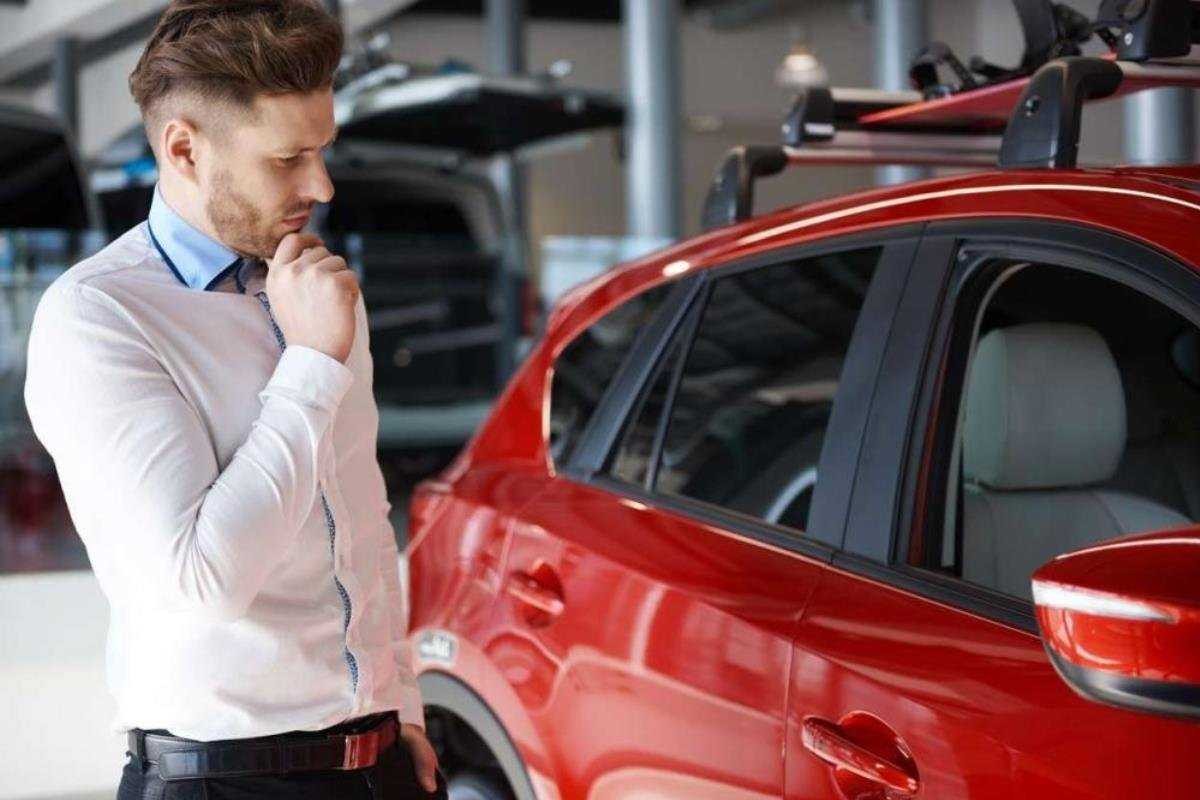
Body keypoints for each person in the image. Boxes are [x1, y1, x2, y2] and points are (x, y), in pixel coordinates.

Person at [23, 1, 445, 797]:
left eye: (322, 151)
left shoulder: (309, 284)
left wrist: (400, 703)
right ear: (184, 148)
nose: (320, 185)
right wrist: (312, 364)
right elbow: (201, 583)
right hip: (225, 778)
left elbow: (357, 510)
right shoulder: (99, 318)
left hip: (380, 759)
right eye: (288, 158)